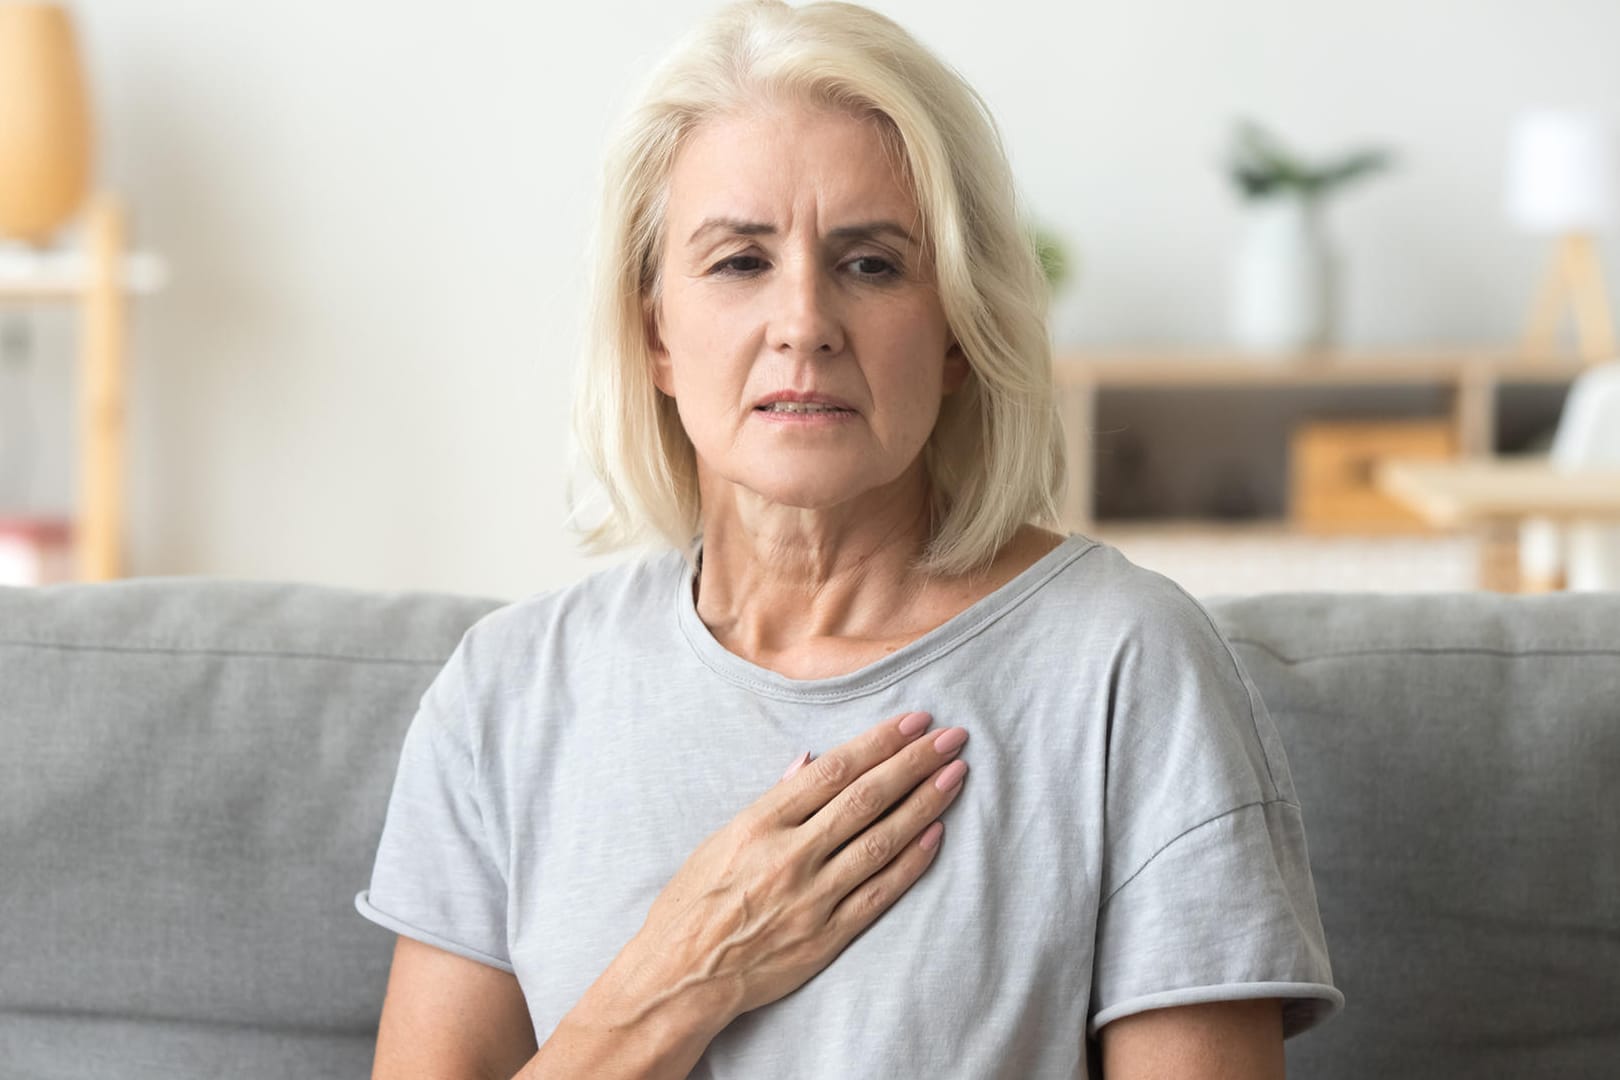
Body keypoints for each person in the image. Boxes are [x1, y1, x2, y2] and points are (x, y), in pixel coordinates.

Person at [355, 1, 1344, 1076]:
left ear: (961, 331)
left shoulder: (1126, 664)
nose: (804, 322)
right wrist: (676, 979)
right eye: (739, 261)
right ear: (655, 338)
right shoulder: (504, 696)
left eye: (870, 264)